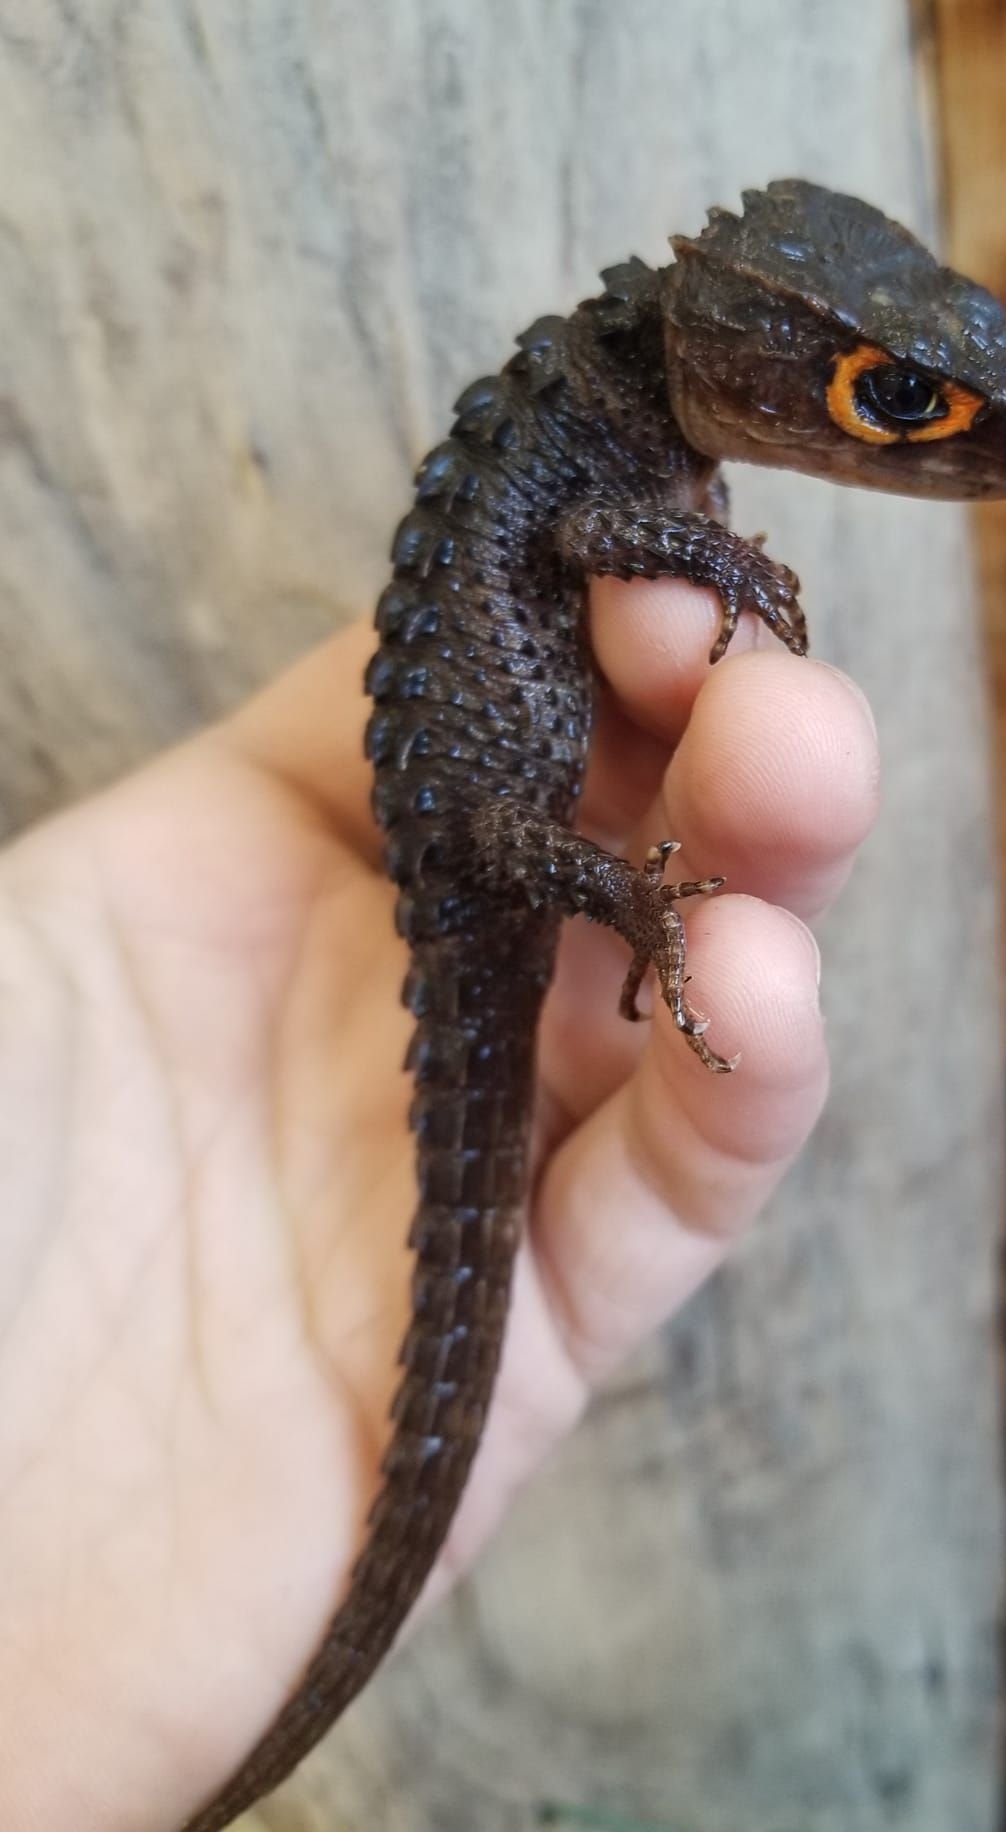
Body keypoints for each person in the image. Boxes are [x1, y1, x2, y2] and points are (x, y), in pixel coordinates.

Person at [0, 570, 880, 1828]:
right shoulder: (585, 482)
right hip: (480, 839)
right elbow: (599, 543)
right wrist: (637, 907)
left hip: (477, 816)